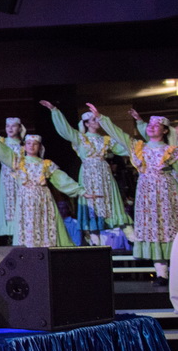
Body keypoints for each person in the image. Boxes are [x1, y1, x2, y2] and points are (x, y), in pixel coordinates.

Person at [0, 116, 94, 248]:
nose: (31, 146)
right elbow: (1, 150)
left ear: (39, 147)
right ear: (24, 146)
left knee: (45, 224)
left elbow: (62, 179)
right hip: (26, 200)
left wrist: (81, 191)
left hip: (43, 199)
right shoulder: (18, 161)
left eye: (35, 144)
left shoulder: (46, 164)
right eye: (29, 143)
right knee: (28, 225)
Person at [91, 105, 178, 287]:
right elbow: (118, 134)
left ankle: (174, 272)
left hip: (167, 194)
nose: (152, 127)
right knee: (152, 230)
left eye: (156, 125)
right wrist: (101, 118)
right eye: (150, 125)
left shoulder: (171, 151)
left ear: (165, 130)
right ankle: (161, 274)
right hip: (146, 195)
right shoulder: (139, 147)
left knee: (169, 228)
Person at [40, 100, 132, 245]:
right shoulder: (81, 138)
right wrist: (54, 110)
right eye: (93, 120)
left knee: (110, 201)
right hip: (88, 174)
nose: (97, 122)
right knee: (91, 203)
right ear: (87, 124)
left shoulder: (106, 140)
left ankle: (129, 233)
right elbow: (65, 130)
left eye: (97, 119)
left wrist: (141, 151)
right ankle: (95, 239)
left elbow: (124, 149)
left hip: (104, 174)